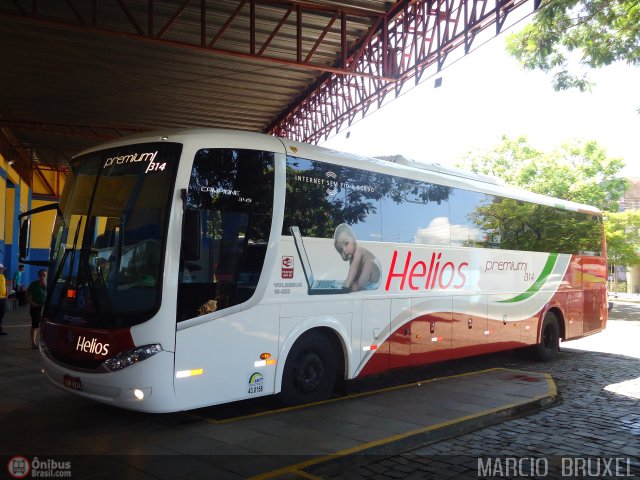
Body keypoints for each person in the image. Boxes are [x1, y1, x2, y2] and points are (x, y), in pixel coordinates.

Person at [333, 223, 381, 292]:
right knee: (357, 270)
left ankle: (357, 286)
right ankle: (356, 284)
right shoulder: (352, 258)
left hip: (374, 278)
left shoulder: (358, 251)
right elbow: (354, 271)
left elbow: (354, 266)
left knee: (368, 264)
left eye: (346, 243)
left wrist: (348, 282)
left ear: (354, 239)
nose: (344, 250)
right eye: (341, 250)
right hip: (366, 281)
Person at [26, 269, 47, 349]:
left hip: (45, 308)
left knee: (44, 325)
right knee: (35, 325)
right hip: (36, 307)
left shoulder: (48, 284)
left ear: (46, 276)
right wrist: (31, 302)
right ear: (39, 276)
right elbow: (27, 294)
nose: (42, 277)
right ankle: (33, 343)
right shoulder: (34, 284)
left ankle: (43, 342)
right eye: (41, 275)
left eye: (44, 275)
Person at [0, 264, 7, 335]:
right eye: (2, 269)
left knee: (1, 314)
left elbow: (4, 285)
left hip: (2, 298)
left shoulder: (3, 276)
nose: (3, 270)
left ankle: (0, 330)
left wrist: (6, 294)